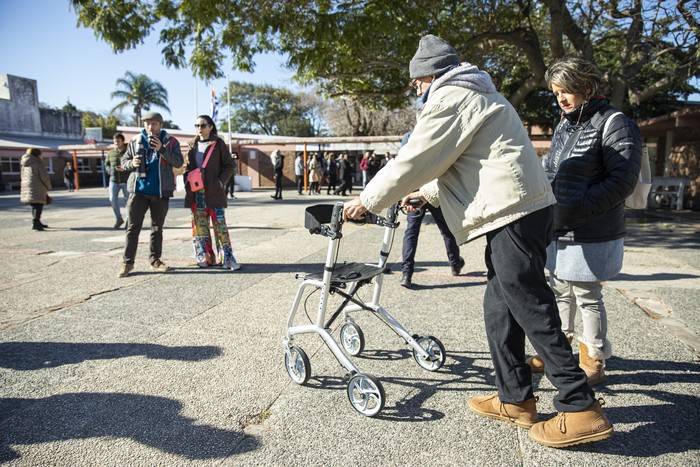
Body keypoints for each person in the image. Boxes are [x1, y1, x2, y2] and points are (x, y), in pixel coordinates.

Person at [343, 34, 613, 448]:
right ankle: (515, 399)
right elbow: (461, 160)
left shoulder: (451, 96)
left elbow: (416, 158)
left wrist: (367, 200)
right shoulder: (474, 92)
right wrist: (424, 194)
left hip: (515, 213)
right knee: (499, 308)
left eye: (417, 83)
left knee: (530, 306)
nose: (416, 90)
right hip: (519, 208)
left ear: (430, 75)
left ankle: (580, 407)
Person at [525, 57, 642, 386]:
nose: (560, 98)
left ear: (587, 87)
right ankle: (559, 353)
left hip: (592, 228)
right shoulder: (566, 123)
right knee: (560, 291)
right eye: (556, 92)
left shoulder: (615, 122)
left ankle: (593, 359)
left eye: (566, 91)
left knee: (587, 295)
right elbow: (552, 171)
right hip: (559, 224)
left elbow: (622, 182)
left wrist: (574, 208)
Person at [118, 111, 184, 278]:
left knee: (157, 228)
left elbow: (178, 162)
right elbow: (123, 162)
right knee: (132, 228)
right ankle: (127, 262)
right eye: (147, 123)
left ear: (160, 125)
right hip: (138, 191)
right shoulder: (135, 140)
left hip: (160, 192)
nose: (150, 126)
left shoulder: (170, 141)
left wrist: (161, 149)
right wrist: (131, 163)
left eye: (153, 123)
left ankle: (155, 260)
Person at [398, 133, 464, 288]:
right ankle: (455, 264)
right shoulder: (435, 134)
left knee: (411, 232)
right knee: (446, 230)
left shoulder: (409, 137)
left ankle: (406, 273)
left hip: (414, 191)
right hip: (433, 189)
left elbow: (403, 164)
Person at [184, 115, 240, 270]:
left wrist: (221, 182)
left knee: (219, 225)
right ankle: (205, 257)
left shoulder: (218, 144)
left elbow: (229, 165)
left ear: (210, 127)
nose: (199, 129)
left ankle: (227, 258)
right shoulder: (192, 145)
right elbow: (187, 167)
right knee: (200, 227)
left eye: (202, 125)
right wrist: (187, 180)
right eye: (196, 125)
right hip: (197, 192)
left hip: (214, 191)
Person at [20, 147, 51, 231]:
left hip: (27, 185)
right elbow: (44, 176)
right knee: (38, 204)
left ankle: (37, 221)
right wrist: (48, 186)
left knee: (35, 205)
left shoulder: (24, 163)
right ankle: (36, 222)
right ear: (37, 154)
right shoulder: (37, 162)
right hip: (37, 185)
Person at [104, 133, 129, 228]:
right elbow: (106, 164)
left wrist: (125, 168)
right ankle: (118, 218)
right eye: (115, 142)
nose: (116, 143)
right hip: (113, 180)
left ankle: (128, 219)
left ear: (122, 141)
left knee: (128, 201)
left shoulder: (128, 152)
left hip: (126, 180)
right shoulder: (111, 153)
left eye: (118, 141)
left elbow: (133, 164)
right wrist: (110, 171)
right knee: (112, 199)